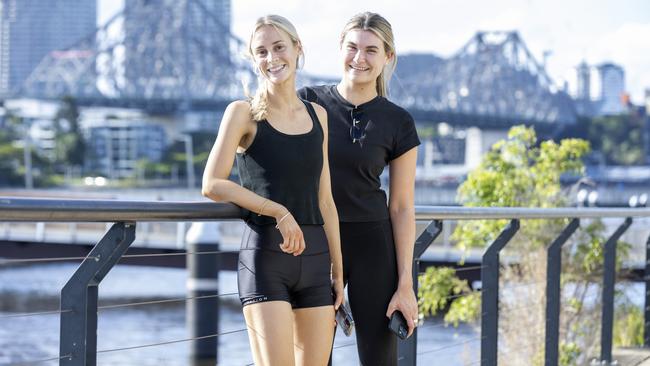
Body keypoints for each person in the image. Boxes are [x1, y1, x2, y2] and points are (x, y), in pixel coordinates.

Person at [202, 14, 344, 366]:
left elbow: (325, 199)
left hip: (316, 260)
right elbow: (212, 184)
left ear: (298, 49)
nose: (271, 58)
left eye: (279, 47)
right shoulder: (243, 113)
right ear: (253, 59)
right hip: (266, 257)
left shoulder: (318, 115)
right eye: (261, 51)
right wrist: (278, 211)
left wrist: (339, 271)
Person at [299, 12, 420, 366]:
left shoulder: (398, 121)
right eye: (352, 47)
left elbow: (400, 206)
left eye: (371, 50)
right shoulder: (308, 102)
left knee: (379, 359)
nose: (359, 58)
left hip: (373, 246)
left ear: (388, 57)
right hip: (317, 244)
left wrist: (405, 285)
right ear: (340, 49)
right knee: (315, 359)